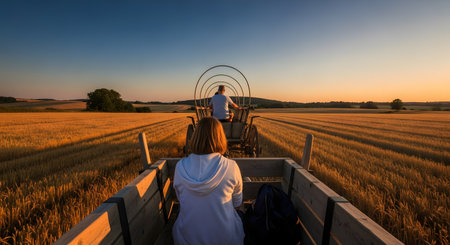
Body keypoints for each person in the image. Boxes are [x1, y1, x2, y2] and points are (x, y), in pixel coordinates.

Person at [172, 117, 245, 245]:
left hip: (185, 239)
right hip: (226, 240)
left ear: (195, 137)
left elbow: (180, 198)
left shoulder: (180, 166)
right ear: (221, 137)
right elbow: (237, 203)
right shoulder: (231, 166)